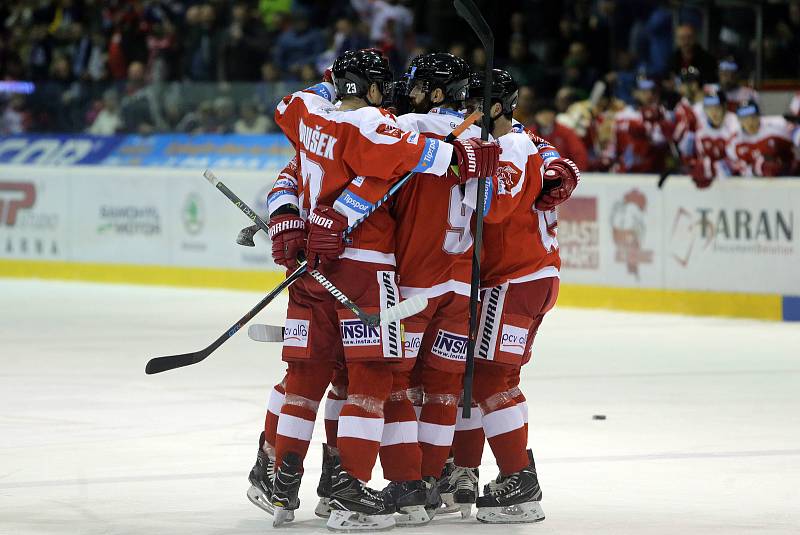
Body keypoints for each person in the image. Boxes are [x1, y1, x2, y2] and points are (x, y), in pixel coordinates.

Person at [255, 48, 501, 531]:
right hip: (369, 271)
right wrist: (467, 153)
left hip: (311, 266)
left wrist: (286, 214)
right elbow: (420, 156)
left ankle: (278, 482)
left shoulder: (304, 110)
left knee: (305, 376)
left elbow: (293, 149)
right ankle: (349, 489)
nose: (395, 95)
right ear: (369, 89)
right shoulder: (380, 126)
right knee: (372, 381)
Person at [446, 68, 579, 523]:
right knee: (487, 377)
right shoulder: (523, 142)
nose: (462, 113)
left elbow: (495, 207)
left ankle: (519, 481)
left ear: (495, 108)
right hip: (525, 277)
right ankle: (494, 469)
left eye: (471, 105)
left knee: (490, 381)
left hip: (515, 279)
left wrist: (468, 164)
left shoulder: (510, 147)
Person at [375, 52, 483, 527]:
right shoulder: (490, 136)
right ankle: (433, 483)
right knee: (442, 388)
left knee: (393, 382)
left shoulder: (414, 125)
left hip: (417, 281)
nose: (406, 92)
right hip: (463, 282)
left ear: (437, 94)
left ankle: (407, 487)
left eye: (416, 85)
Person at [610, 77, 674, 173]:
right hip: (627, 169)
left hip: (653, 168)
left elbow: (661, 141)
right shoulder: (622, 115)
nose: (647, 94)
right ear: (635, 92)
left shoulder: (663, 114)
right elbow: (613, 144)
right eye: (642, 91)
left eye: (650, 91)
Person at [683, 90, 739, 188]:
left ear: (724, 107)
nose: (713, 112)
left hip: (736, 181)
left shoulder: (734, 123)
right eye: (709, 108)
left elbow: (737, 158)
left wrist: (715, 168)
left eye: (717, 107)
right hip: (713, 179)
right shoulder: (700, 126)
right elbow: (688, 154)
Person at [728, 100, 797, 177]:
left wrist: (783, 166)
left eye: (752, 116)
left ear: (758, 116)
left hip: (783, 180)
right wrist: (756, 169)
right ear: (739, 120)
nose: (750, 121)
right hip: (751, 185)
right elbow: (734, 169)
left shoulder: (776, 131)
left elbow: (793, 155)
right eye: (744, 118)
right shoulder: (734, 143)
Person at [527, 99, 588, 171]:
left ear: (554, 114)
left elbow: (580, 155)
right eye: (541, 113)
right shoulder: (528, 135)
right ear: (535, 116)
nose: (545, 116)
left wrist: (577, 174)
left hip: (564, 175)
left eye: (548, 113)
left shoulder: (566, 132)